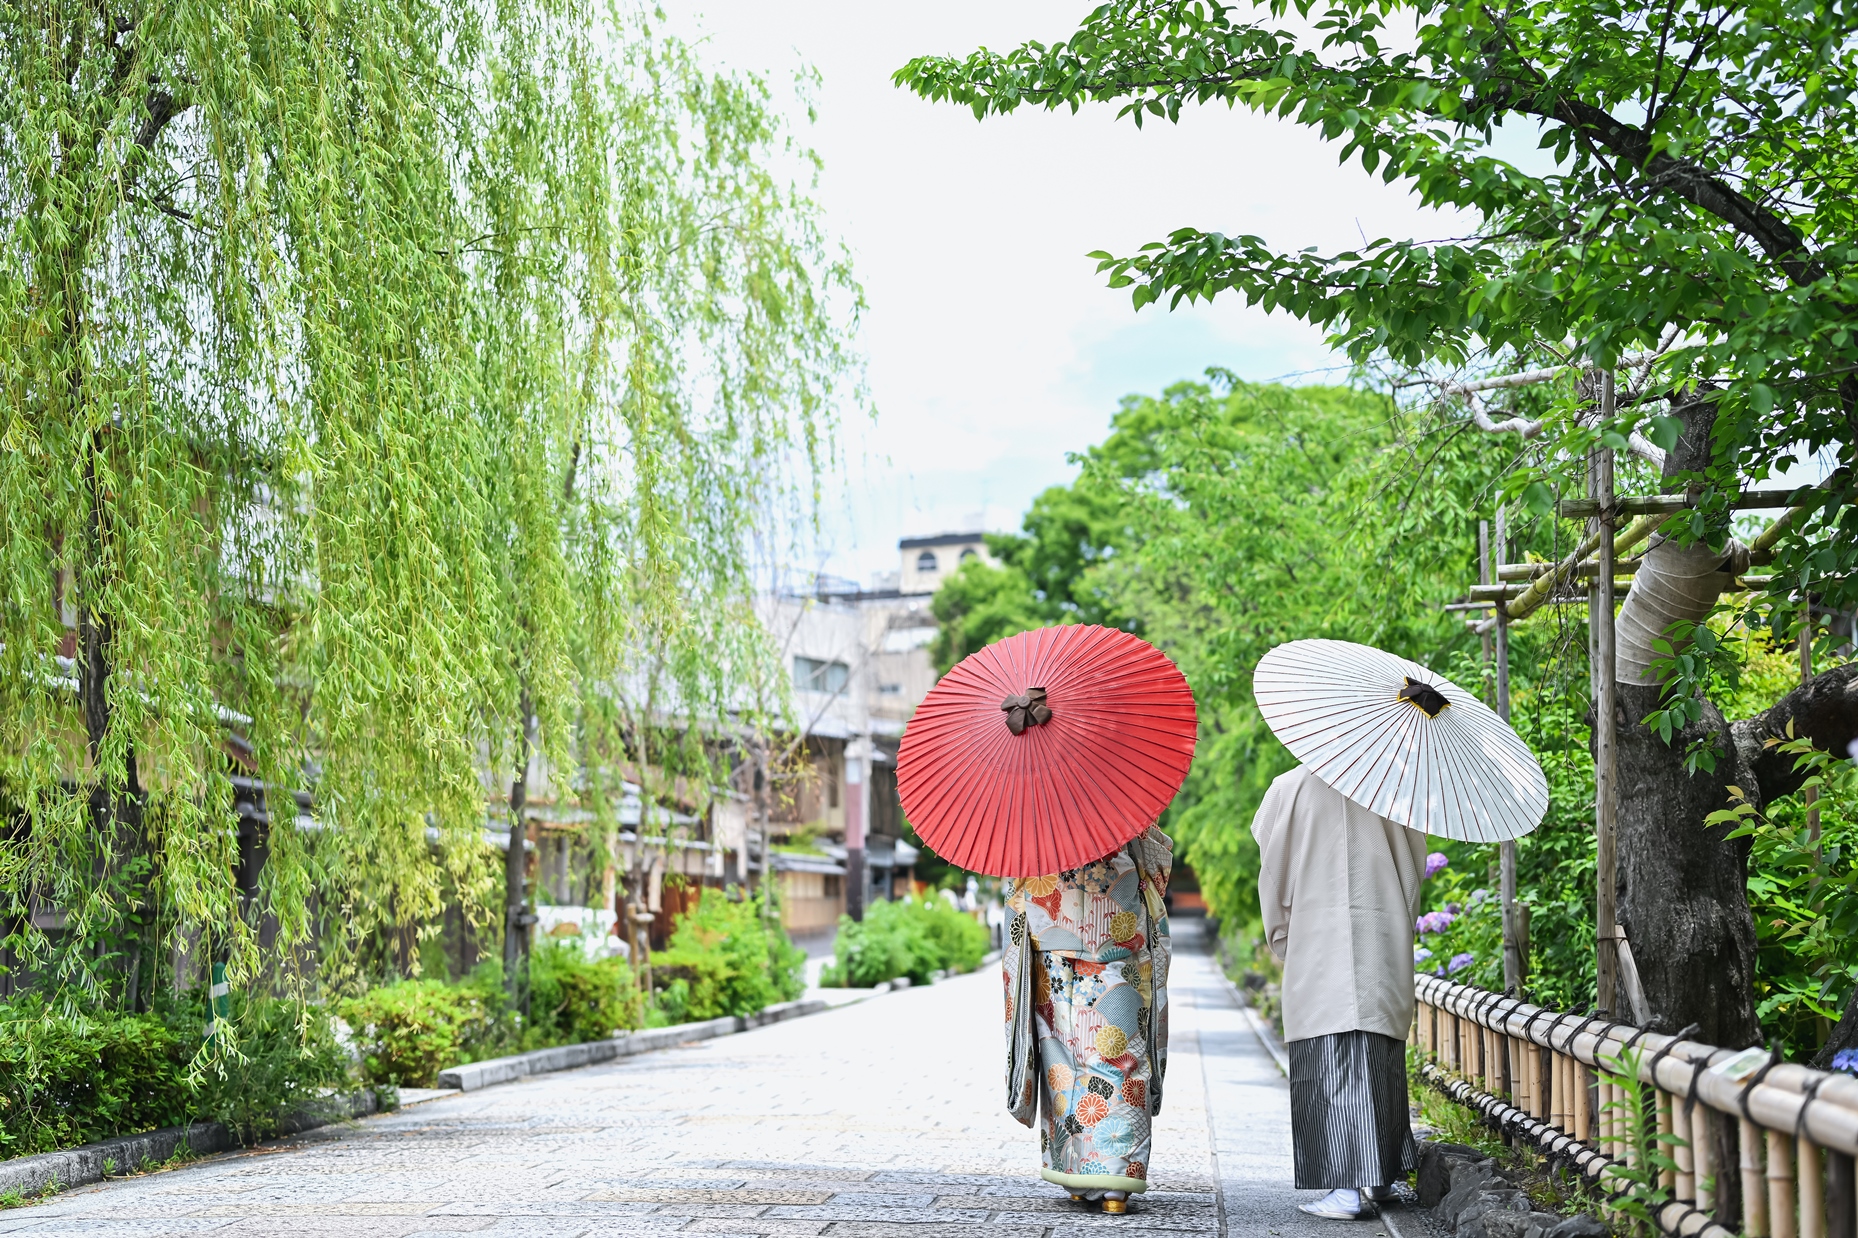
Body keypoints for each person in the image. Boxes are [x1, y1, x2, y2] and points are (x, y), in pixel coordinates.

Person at [1251, 765, 1428, 1220]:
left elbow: (1272, 877)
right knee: (1378, 1053)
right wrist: (1398, 926)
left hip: (1316, 939)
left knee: (1328, 1056)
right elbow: (1413, 877)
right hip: (1381, 938)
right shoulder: (1392, 786)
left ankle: (1345, 1189)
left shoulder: (1288, 789)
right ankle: (1381, 1176)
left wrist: (1282, 937)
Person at [1001, 826, 1174, 1215]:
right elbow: (1156, 866)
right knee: (1119, 1056)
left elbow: (1014, 883)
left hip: (1052, 937)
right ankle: (1116, 1179)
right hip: (1117, 936)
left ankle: (1076, 1172)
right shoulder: (1124, 800)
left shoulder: (1034, 811)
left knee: (1062, 1059)